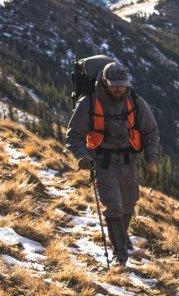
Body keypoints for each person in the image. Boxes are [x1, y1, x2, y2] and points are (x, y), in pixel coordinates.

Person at [66, 61, 160, 267]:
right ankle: (120, 255)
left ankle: (122, 236)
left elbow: (151, 132)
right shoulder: (88, 103)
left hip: (129, 160)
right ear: (104, 82)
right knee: (114, 207)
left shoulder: (135, 102)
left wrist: (151, 159)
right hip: (103, 161)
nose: (118, 88)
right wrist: (82, 156)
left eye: (122, 84)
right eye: (114, 84)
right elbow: (74, 135)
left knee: (129, 202)